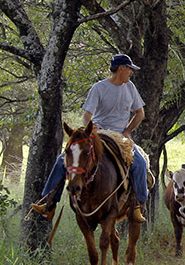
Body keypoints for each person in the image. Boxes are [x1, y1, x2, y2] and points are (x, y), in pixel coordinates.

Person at [30, 53, 149, 223]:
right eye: (129, 69)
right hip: (99, 134)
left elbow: (140, 113)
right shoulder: (99, 88)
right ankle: (48, 203)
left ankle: (137, 205)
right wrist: (91, 127)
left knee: (140, 163)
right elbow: (86, 116)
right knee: (62, 161)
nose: (131, 73)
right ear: (121, 69)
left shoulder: (130, 87)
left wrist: (128, 131)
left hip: (120, 137)